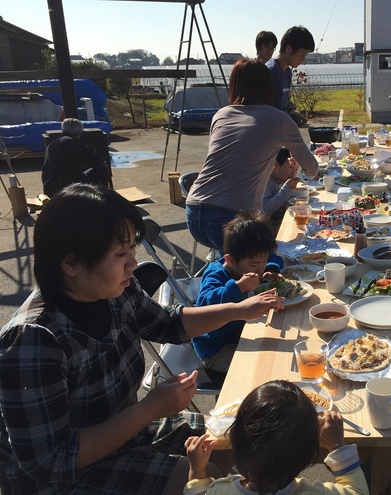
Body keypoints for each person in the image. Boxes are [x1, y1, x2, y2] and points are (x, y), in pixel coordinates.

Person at [0, 184, 284, 495]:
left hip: (127, 434)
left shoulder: (115, 292)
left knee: (235, 436)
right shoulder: (33, 340)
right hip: (64, 479)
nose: (133, 263)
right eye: (120, 253)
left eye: (133, 248)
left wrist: (239, 309)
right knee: (206, 481)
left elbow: (171, 325)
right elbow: (51, 461)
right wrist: (149, 408)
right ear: (70, 263)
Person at [185, 58, 318, 253]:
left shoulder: (220, 115)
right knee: (253, 273)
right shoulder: (278, 119)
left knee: (231, 269)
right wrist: (293, 152)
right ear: (268, 87)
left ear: (234, 86)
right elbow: (312, 170)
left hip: (194, 211)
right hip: (230, 218)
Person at [183, 380, 369, 495]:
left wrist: (197, 470)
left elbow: (197, 492)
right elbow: (357, 492)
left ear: (233, 437)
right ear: (311, 456)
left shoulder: (219, 492)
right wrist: (337, 445)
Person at [192, 211, 283, 374]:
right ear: (230, 260)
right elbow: (205, 306)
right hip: (217, 348)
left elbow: (273, 256)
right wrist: (238, 287)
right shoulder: (216, 274)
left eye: (264, 261)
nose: (260, 268)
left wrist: (270, 268)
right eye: (254, 265)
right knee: (263, 367)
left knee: (278, 349)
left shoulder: (252, 262)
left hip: (243, 333)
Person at [41, 117, 111, 197]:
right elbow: (93, 160)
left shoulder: (53, 144)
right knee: (100, 168)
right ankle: (103, 195)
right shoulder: (72, 143)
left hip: (50, 186)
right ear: (79, 131)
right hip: (65, 185)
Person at [265, 26, 315, 113]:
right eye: (302, 54)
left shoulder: (287, 72)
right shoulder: (271, 71)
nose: (303, 60)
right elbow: (263, 110)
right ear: (288, 49)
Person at [262, 147, 302, 233]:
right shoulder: (266, 181)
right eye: (290, 167)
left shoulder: (281, 178)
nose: (293, 173)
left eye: (296, 168)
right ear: (275, 165)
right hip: (269, 230)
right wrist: (287, 188)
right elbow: (265, 211)